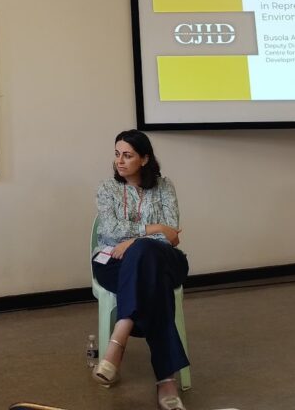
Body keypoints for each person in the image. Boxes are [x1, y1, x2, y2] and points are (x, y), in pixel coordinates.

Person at [91, 129, 189, 410]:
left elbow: (172, 235)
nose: (119, 161)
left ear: (144, 159)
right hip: (112, 262)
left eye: (128, 155)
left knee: (144, 253)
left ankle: (120, 333)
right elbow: (109, 230)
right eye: (117, 154)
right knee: (152, 277)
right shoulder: (106, 188)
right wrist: (155, 229)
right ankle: (166, 380)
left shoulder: (164, 187)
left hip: (164, 258)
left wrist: (136, 240)